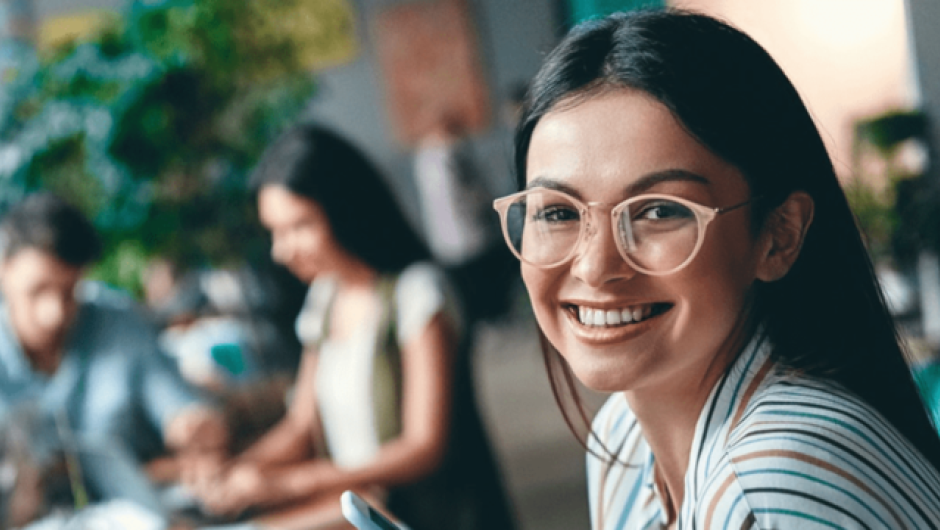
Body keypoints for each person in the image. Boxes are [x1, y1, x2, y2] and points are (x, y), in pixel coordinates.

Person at [492, 9, 940, 529]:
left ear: (779, 235)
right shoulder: (623, 439)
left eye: (659, 211)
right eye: (558, 213)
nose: (595, 268)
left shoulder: (771, 482)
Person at [191, 124, 516, 530]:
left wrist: (291, 483)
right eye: (274, 231)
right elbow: (301, 424)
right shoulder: (325, 298)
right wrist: (236, 471)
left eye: (299, 226)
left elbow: (424, 446)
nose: (281, 250)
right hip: (363, 510)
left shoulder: (417, 292)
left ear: (344, 210)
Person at [0, 193, 228, 516]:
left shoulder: (118, 323)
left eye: (68, 292)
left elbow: (177, 406)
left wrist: (194, 427)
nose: (54, 314)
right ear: (3, 269)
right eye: (37, 290)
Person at [412, 111, 516, 326]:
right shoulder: (454, 153)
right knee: (492, 294)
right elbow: (474, 192)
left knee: (470, 300)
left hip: (445, 244)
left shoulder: (422, 158)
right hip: (474, 237)